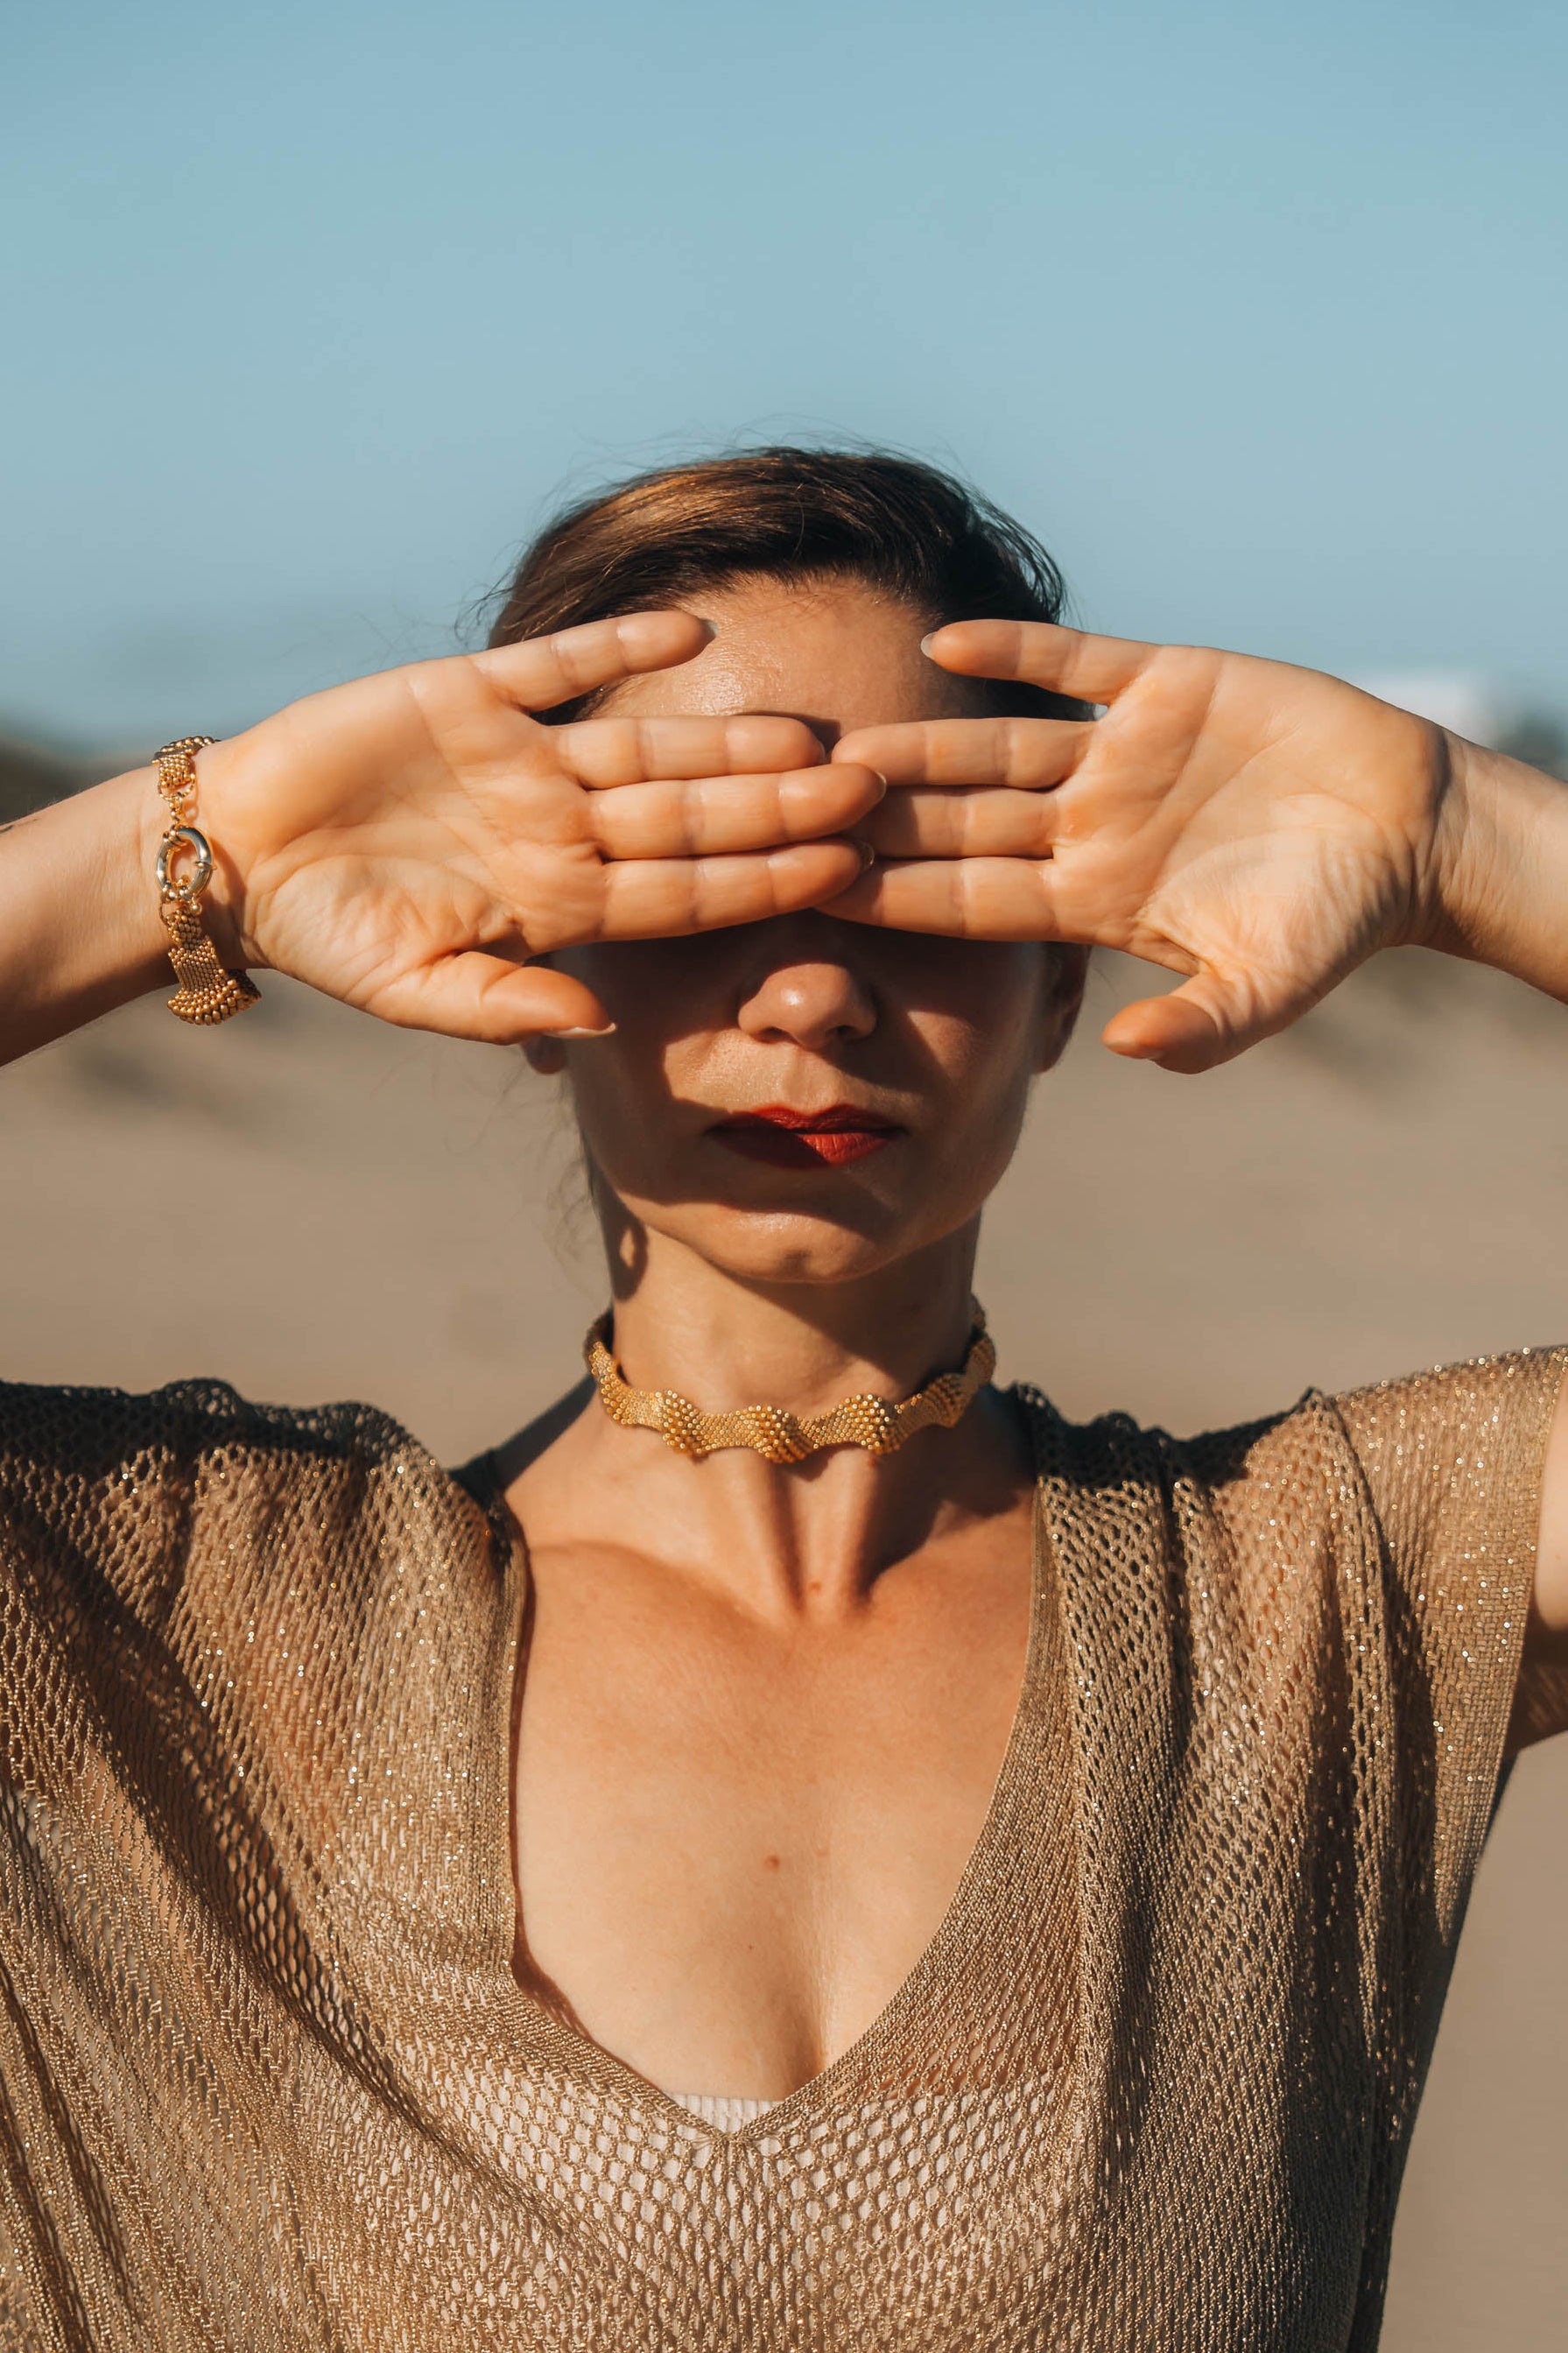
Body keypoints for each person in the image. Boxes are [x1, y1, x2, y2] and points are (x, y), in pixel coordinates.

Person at [1, 448, 1564, 2353]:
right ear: (518, 925)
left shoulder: (1330, 1604)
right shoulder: (154, 1628)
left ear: (1056, 974)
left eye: (925, 880)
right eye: (691, 871)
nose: (810, 989)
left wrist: (1463, 833)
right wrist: (207, 847)